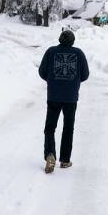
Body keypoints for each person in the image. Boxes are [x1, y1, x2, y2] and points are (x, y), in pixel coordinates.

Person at [38, 29, 89, 174]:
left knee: (50, 128)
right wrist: (74, 81)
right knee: (68, 128)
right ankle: (65, 160)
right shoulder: (78, 53)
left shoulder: (50, 52)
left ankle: (50, 155)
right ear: (73, 41)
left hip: (53, 96)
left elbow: (42, 72)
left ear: (60, 39)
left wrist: (52, 80)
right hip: (71, 98)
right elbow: (85, 75)